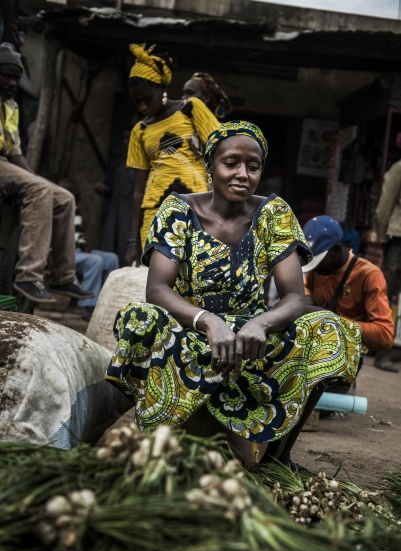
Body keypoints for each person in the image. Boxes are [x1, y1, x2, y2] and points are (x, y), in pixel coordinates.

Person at [105, 121, 361, 468]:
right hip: (190, 336)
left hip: (251, 342)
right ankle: (169, 428)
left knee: (329, 328)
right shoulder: (178, 211)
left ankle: (279, 457)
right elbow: (157, 289)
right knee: (141, 317)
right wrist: (206, 320)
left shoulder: (274, 214)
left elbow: (294, 297)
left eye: (253, 166)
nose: (242, 174)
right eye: (231, 163)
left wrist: (262, 324)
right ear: (210, 166)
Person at [0, 42, 92, 303]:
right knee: (40, 190)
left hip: (6, 160)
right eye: (6, 76)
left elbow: (15, 153)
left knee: (63, 197)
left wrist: (38, 180)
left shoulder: (10, 107)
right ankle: (28, 275)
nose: (12, 83)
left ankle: (63, 276)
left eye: (16, 78)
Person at [125, 44, 220, 266]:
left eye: (147, 99)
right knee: (159, 280)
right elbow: (139, 189)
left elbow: (222, 150)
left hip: (197, 205)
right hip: (154, 212)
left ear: (162, 88)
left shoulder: (191, 108)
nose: (143, 106)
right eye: (136, 101)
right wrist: (132, 242)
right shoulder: (139, 130)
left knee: (196, 273)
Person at [303, 216, 394, 354]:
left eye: (317, 261)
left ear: (337, 250)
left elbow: (385, 336)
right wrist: (307, 298)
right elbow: (306, 286)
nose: (314, 269)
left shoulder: (369, 275)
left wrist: (333, 320)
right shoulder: (320, 269)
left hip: (346, 354)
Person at [58, 180, 119, 322]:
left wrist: (84, 245)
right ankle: (87, 305)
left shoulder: (75, 210)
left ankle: (105, 302)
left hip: (78, 252)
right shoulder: (56, 209)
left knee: (111, 259)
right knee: (95, 261)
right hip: (61, 254)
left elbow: (77, 236)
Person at [374, 154, 401, 371]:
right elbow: (382, 212)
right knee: (387, 297)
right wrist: (384, 241)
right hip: (398, 241)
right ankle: (381, 352)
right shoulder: (398, 169)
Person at [95, 129, 136, 267]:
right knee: (109, 241)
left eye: (128, 139)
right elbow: (110, 185)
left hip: (130, 213)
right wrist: (104, 188)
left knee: (125, 244)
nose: (125, 142)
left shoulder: (142, 165)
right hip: (114, 210)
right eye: (124, 139)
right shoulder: (119, 163)